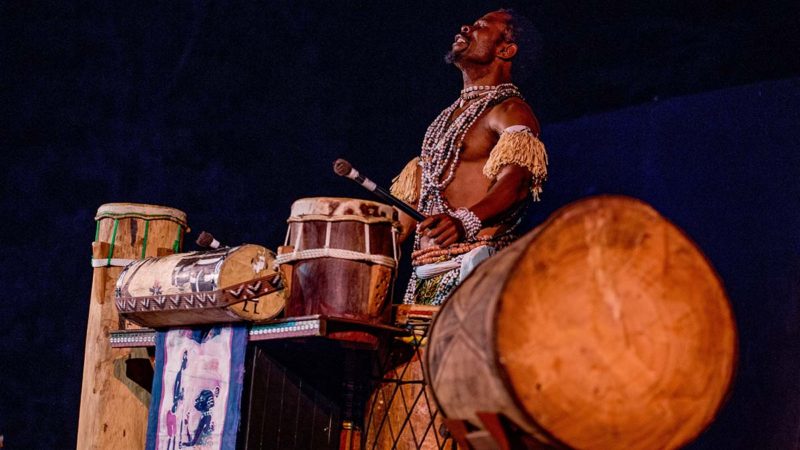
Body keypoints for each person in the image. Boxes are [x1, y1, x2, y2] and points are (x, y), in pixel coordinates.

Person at [391, 9, 548, 305]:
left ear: (506, 49)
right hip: (424, 279)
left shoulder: (511, 110)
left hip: (477, 273)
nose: (466, 27)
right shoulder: (442, 124)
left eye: (482, 26)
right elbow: (403, 219)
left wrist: (464, 221)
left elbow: (516, 182)